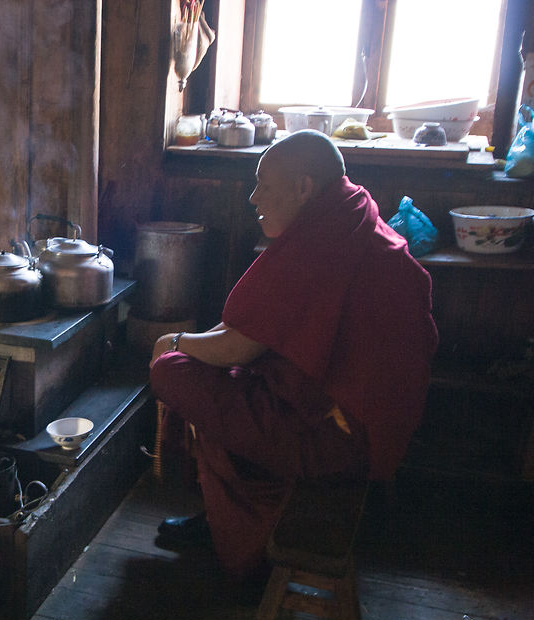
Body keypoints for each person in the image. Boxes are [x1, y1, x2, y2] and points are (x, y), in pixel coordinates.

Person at [149, 130, 438, 580]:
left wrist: (172, 345)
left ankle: (239, 533)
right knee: (214, 379)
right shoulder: (347, 215)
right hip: (347, 414)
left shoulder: (325, 238)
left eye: (264, 184)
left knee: (175, 375)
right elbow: (253, 331)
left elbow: (236, 345)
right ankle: (221, 516)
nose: (252, 196)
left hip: (341, 438)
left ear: (304, 187)